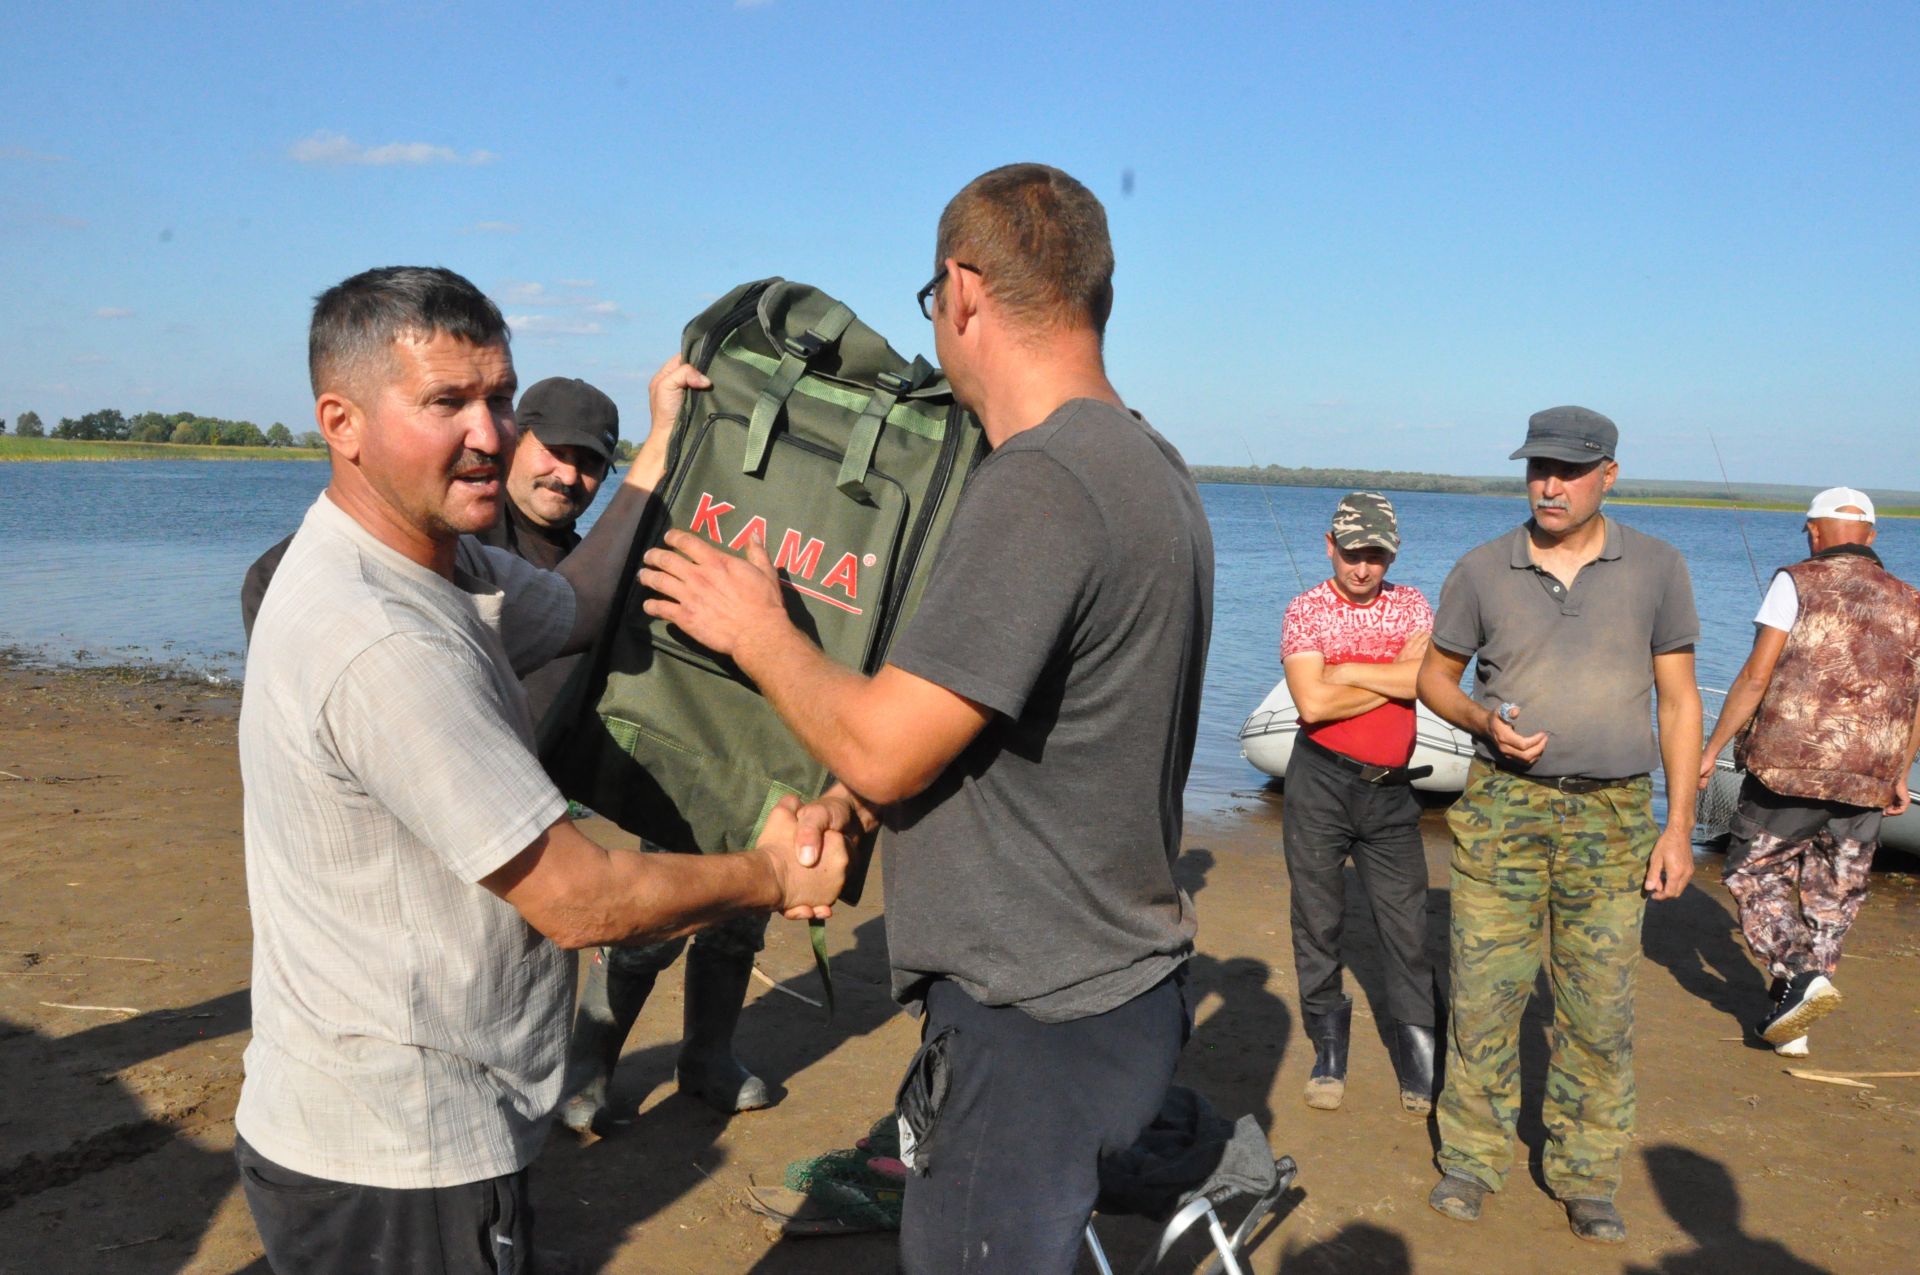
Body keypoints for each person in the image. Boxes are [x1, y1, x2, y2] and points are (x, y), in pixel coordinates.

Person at [638, 163, 1214, 1273]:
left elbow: (893, 749)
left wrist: (757, 627)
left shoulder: (1042, 484)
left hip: (1035, 1019)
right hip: (1112, 992)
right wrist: (850, 802)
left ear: (961, 291)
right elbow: (1017, 723)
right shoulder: (1152, 465)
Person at [235, 265, 852, 1275]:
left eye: (497, 397)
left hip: (421, 1117)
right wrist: (777, 874)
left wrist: (657, 456)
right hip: (395, 1154)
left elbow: (579, 603)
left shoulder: (444, 563)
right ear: (340, 423)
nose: (489, 433)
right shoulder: (378, 636)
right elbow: (581, 900)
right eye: (446, 403)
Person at [1415, 406, 1701, 1245]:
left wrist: (1678, 826)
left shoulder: (1657, 567)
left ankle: (1585, 1173)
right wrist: (1479, 720)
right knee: (1484, 991)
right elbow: (1433, 678)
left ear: (1608, 474)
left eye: (1570, 470)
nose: (1550, 483)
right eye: (1539, 466)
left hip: (1613, 817)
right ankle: (1471, 1157)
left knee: (1598, 1007)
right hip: (1504, 807)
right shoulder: (1480, 569)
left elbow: (1680, 703)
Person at [1697, 486, 1920, 1058]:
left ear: (1813, 532)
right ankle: (1794, 1024)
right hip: (1870, 774)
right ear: (1871, 536)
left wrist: (1712, 747)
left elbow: (1754, 675)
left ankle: (1797, 978)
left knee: (1753, 872)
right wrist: (1899, 770)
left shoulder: (1795, 581)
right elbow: (1915, 698)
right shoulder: (1912, 600)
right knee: (1832, 896)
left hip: (1789, 768)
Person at [1279, 491, 1437, 1114]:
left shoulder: (1414, 605)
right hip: (1320, 783)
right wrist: (1392, 677)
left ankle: (1419, 1058)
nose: (1364, 568)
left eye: (1376, 555)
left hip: (1392, 793)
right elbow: (1311, 707)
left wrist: (1346, 670)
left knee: (1409, 929)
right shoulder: (1305, 610)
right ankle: (1329, 1049)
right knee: (1318, 920)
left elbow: (1425, 681)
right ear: (1330, 547)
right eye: (1353, 554)